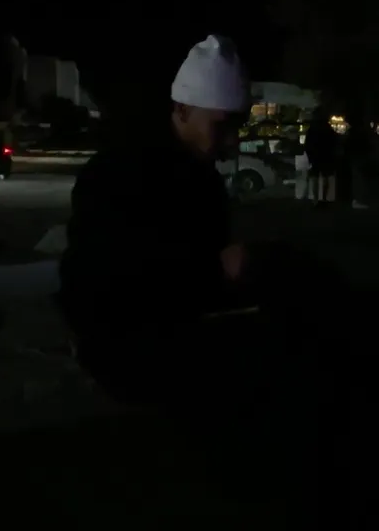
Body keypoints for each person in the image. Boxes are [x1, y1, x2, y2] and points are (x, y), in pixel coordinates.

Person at [57, 34, 257, 407]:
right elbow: (104, 281)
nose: (232, 142)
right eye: (221, 126)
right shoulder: (117, 173)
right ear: (182, 109)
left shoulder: (204, 179)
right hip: (126, 353)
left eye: (237, 127)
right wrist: (215, 270)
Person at [304, 108, 339, 206]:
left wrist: (310, 156)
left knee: (315, 177)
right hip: (326, 155)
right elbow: (334, 141)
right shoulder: (328, 128)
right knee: (325, 177)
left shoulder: (312, 128)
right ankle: (323, 198)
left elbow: (307, 144)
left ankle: (315, 199)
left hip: (315, 155)